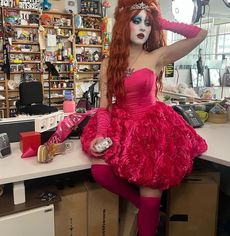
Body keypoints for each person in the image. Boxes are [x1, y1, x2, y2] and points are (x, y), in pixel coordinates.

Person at [81, 0, 208, 235]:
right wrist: (99, 135)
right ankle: (144, 206)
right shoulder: (109, 64)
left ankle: (149, 211)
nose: (143, 27)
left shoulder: (157, 56)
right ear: (122, 25)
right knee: (100, 172)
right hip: (121, 124)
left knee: (150, 192)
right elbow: (105, 107)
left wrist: (162, 22)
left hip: (153, 128)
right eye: (136, 21)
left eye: (147, 23)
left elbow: (200, 34)